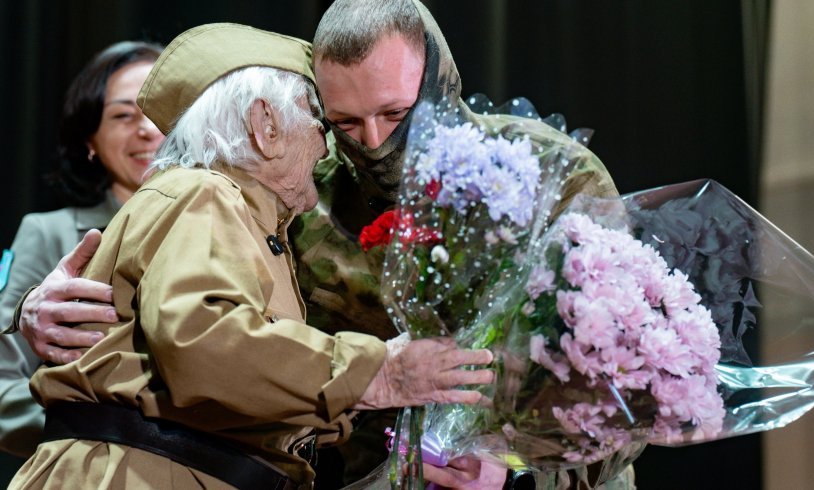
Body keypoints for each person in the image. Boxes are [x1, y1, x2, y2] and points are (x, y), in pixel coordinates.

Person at [10, 1, 636, 488]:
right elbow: (206, 331)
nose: (369, 141)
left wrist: (519, 467)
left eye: (396, 114)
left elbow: (640, 373)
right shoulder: (295, 191)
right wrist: (43, 310)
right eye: (341, 121)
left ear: (441, 84)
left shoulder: (549, 175)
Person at [0, 40, 164, 459]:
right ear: (91, 139)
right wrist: (82, 429)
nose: (146, 128)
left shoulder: (229, 227)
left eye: (161, 110)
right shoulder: (48, 234)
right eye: (124, 114)